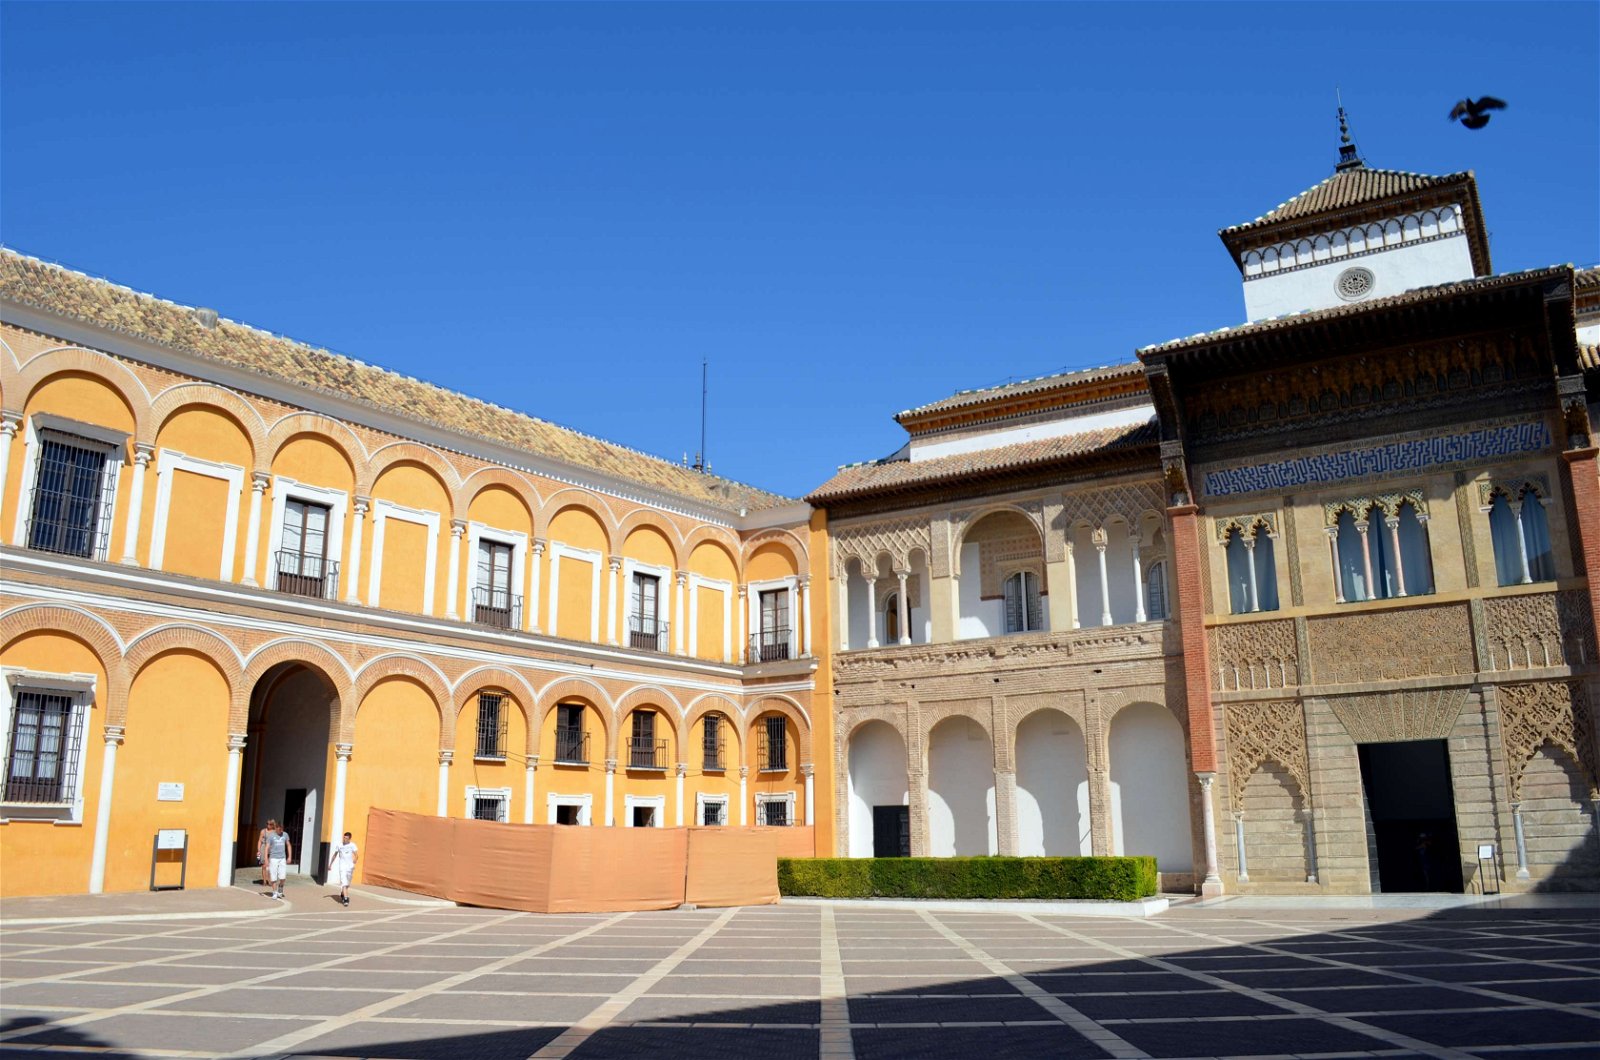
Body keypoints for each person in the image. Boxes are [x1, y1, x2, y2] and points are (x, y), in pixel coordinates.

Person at [263, 819, 293, 900]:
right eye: (279, 829)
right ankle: (274, 892)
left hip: (282, 858)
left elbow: (288, 845)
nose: (281, 830)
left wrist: (289, 856)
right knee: (273, 876)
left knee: (282, 877)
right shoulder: (271, 836)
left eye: (282, 829)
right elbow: (267, 847)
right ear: (276, 828)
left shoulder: (285, 835)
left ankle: (280, 887)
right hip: (273, 858)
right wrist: (266, 859)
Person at [328, 830, 359, 907]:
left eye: (346, 838)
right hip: (342, 867)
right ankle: (346, 898)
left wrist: (355, 859)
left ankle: (342, 893)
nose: (344, 839)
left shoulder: (352, 845)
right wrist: (330, 864)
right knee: (344, 882)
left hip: (350, 867)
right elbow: (335, 855)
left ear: (349, 839)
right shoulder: (339, 845)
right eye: (344, 837)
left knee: (347, 883)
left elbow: (356, 855)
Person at [256, 821, 272, 886]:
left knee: (270, 866)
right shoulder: (263, 831)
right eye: (267, 823)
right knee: (264, 866)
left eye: (270, 824)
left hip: (271, 849)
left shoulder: (274, 832)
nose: (268, 825)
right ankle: (264, 881)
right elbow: (259, 841)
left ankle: (270, 880)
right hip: (264, 848)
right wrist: (259, 850)